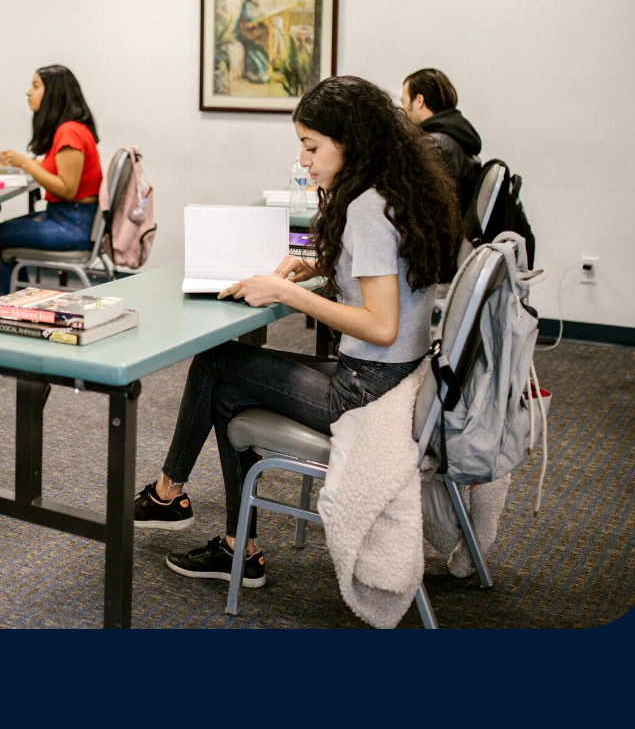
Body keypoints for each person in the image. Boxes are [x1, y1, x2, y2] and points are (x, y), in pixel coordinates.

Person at [130, 76, 465, 588]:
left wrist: (287, 293)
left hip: (366, 390)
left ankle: (174, 498)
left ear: (351, 142)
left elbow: (381, 325)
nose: (304, 161)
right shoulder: (395, 193)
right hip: (400, 378)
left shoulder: (367, 209)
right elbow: (388, 282)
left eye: (311, 147)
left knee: (216, 363)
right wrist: (322, 266)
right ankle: (224, 538)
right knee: (225, 386)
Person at [0, 65, 102, 297]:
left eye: (36, 86)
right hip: (71, 219)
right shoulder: (71, 129)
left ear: (53, 93)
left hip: (72, 226)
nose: (28, 92)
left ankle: (9, 305)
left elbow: (67, 189)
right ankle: (20, 300)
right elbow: (58, 168)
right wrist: (21, 163)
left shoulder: (69, 132)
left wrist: (26, 164)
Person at [401, 67, 483, 200]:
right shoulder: (458, 134)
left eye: (404, 102)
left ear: (419, 100)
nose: (403, 110)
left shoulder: (433, 144)